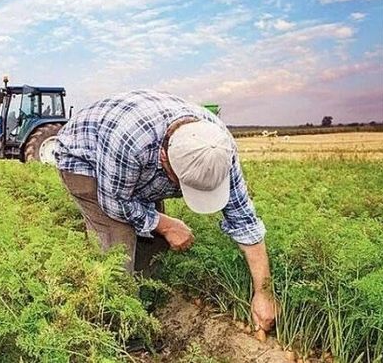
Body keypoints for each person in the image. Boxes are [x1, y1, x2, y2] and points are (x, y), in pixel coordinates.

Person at [54, 89, 275, 332]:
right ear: (164, 159)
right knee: (117, 246)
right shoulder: (130, 142)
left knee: (153, 240)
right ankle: (118, 328)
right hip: (86, 161)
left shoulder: (218, 148)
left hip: (135, 164)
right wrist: (167, 224)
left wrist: (264, 293)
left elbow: (244, 221)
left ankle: (148, 304)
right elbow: (115, 204)